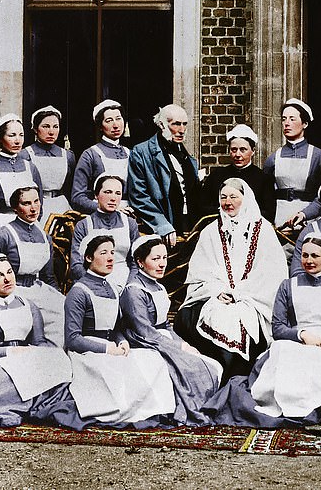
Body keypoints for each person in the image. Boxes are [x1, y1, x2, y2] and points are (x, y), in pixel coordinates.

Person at [204, 236, 321, 428]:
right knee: (285, 355)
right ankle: (291, 409)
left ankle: (319, 410)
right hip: (294, 340)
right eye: (305, 255)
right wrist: (301, 335)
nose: (309, 260)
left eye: (315, 256)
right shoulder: (287, 285)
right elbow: (278, 327)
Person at [174, 179, 287, 380]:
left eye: (234, 197)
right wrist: (218, 291)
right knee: (190, 317)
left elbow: (270, 274)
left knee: (242, 323)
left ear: (246, 199)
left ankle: (233, 380)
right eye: (223, 197)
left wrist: (239, 294)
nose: (228, 202)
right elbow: (201, 270)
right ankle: (212, 376)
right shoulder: (211, 231)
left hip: (253, 298)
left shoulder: (264, 231)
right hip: (215, 295)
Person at [63, 233, 176, 429]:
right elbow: (73, 339)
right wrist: (107, 349)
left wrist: (121, 341)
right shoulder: (78, 291)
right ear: (89, 258)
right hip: (87, 353)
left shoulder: (114, 289)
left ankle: (157, 411)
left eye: (113, 253)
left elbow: (115, 328)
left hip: (113, 348)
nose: (110, 258)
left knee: (149, 362)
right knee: (116, 379)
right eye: (103, 253)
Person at [0, 254, 74, 428]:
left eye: (9, 272)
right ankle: (16, 403)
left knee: (57, 360)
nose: (7, 278)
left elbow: (39, 340)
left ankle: (32, 401)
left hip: (25, 356)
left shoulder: (28, 305)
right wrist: (10, 352)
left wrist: (35, 354)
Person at [119, 235, 222, 425]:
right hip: (143, 342)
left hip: (160, 336)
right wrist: (177, 348)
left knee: (209, 363)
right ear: (140, 262)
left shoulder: (157, 285)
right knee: (191, 367)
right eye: (155, 259)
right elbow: (144, 331)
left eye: (164, 258)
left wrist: (183, 343)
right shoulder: (133, 290)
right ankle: (189, 410)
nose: (162, 264)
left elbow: (165, 324)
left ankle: (203, 405)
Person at [0, 186, 66, 346]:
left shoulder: (45, 238)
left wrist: (57, 298)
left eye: (36, 201)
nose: (33, 208)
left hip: (38, 289)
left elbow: (48, 277)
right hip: (12, 292)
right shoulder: (2, 235)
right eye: (26, 203)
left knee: (64, 311)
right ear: (15, 208)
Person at [127, 104, 200, 247]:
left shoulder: (188, 158)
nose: (181, 130)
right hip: (161, 228)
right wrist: (162, 225)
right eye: (176, 124)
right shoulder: (142, 152)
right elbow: (139, 196)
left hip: (190, 226)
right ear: (162, 125)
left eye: (184, 124)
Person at [0, 113, 43, 244]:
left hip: (28, 227)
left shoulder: (31, 168)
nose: (18, 140)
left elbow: (40, 206)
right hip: (0, 226)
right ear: (0, 138)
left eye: (21, 135)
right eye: (12, 135)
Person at [263, 99, 321, 230]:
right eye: (283, 119)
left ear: (305, 123)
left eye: (292, 119)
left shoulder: (317, 156)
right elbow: (265, 193)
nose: (287, 123)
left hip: (308, 218)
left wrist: (307, 214)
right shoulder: (273, 158)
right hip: (280, 218)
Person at [69, 175, 140, 290]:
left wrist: (130, 285)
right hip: (94, 282)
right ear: (96, 195)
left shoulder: (130, 224)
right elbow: (76, 265)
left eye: (118, 193)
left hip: (124, 281)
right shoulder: (84, 225)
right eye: (108, 192)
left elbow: (136, 261)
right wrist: (95, 284)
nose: (113, 198)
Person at [202, 124, 276, 223]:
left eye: (243, 150)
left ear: (253, 151)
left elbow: (269, 213)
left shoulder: (263, 179)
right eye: (234, 150)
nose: (237, 154)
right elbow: (203, 207)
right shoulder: (216, 176)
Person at [71, 100, 132, 215]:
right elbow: (77, 197)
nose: (116, 125)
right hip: (100, 213)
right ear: (100, 126)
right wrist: (104, 207)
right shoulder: (91, 155)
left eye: (118, 118)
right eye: (109, 120)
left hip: (128, 213)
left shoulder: (130, 154)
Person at [23, 106, 77, 221]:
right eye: (46, 126)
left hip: (62, 206)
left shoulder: (67, 155)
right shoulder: (26, 155)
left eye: (55, 127)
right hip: (37, 207)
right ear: (35, 129)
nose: (51, 132)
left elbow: (70, 187)